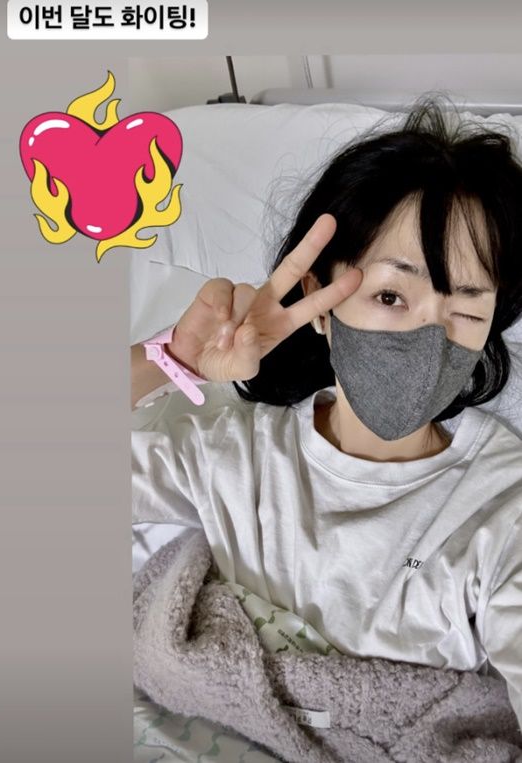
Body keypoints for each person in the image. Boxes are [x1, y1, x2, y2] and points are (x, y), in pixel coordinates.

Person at [131, 97, 522, 731]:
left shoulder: (502, 507)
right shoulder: (234, 457)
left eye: (466, 311)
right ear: (318, 297)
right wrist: (173, 359)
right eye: (391, 295)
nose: (429, 343)